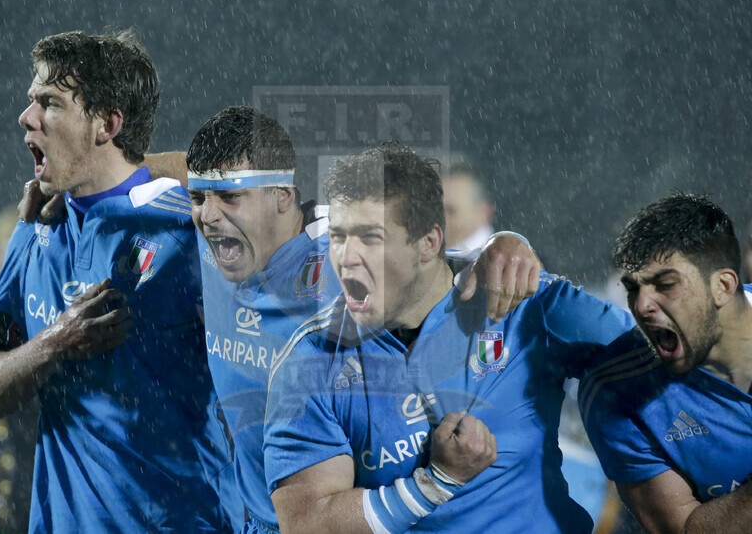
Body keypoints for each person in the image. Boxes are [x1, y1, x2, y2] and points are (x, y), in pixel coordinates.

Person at [184, 107, 542, 532]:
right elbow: (131, 172)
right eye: (198, 197)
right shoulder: (199, 238)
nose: (208, 213)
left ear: (282, 195)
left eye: (229, 196)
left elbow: (429, 271)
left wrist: (507, 244)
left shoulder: (344, 260)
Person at [263, 141, 637, 533]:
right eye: (338, 236)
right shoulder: (310, 361)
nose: (346, 257)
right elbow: (308, 524)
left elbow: (662, 363)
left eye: (370, 237)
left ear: (429, 243)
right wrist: (433, 485)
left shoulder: (523, 301)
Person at [0, 30, 237, 533]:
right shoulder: (34, 229)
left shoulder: (189, 230)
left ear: (107, 123)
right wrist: (56, 341)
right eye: (31, 101)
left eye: (49, 102)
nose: (27, 118)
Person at [578, 193, 752, 533]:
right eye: (633, 288)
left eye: (665, 284)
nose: (642, 305)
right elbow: (685, 530)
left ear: (723, 286)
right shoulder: (617, 390)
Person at [441, 162, 494, 252]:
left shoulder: (506, 263)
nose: (436, 219)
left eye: (450, 211)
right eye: (433, 209)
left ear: (484, 213)